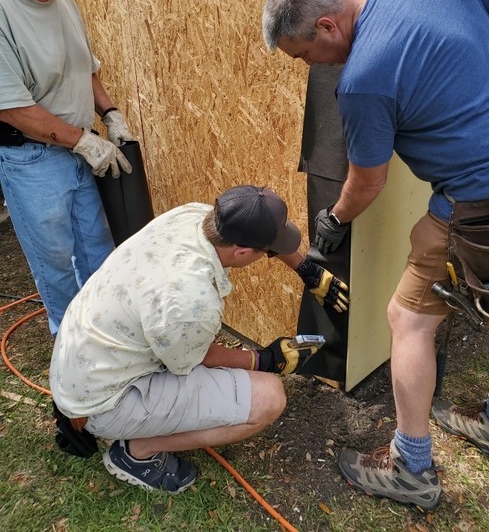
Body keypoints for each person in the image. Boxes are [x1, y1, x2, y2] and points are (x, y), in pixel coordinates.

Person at [262, 0, 489, 510]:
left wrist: (335, 218)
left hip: (481, 202)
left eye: (305, 55)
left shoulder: (363, 80)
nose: (311, 66)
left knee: (408, 320)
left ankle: (411, 467)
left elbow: (368, 181)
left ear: (328, 25)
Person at [49, 184, 349, 493]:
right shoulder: (190, 303)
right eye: (267, 251)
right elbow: (196, 359)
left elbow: (257, 238)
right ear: (243, 253)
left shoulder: (194, 216)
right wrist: (265, 360)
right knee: (268, 398)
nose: (270, 254)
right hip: (103, 401)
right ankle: (136, 452)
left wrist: (307, 269)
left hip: (81, 363)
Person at [0, 0, 134, 336]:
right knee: (56, 268)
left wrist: (110, 113)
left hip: (77, 150)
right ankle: (70, 354)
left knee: (98, 255)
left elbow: (84, 66)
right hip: (33, 161)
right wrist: (83, 142)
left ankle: (106, 342)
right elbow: (12, 108)